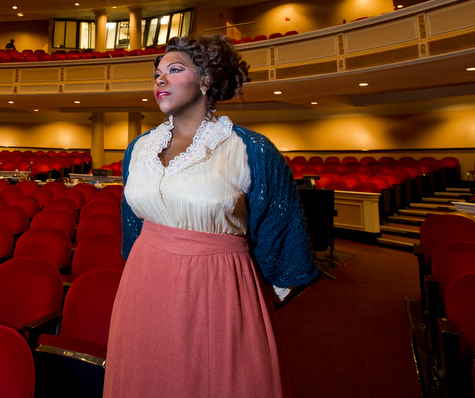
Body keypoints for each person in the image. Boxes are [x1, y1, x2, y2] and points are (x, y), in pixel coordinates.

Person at [103, 34, 319, 398]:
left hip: (217, 286)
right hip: (144, 281)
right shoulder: (139, 148)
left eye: (174, 70)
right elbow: (133, 224)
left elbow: (280, 238)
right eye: (157, 73)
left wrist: (244, 301)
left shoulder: (252, 149)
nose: (160, 79)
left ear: (206, 80)